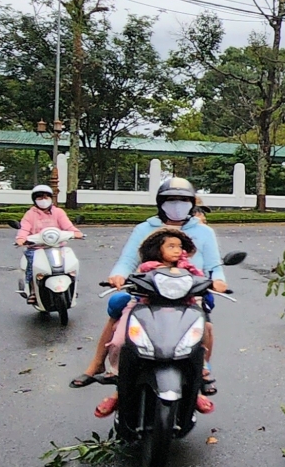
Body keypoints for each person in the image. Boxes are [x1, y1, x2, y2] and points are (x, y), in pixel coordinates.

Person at [70, 177, 228, 390]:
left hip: (189, 293)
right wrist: (118, 275)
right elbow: (127, 260)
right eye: (170, 199)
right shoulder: (145, 228)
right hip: (148, 291)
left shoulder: (203, 232)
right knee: (121, 323)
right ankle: (100, 366)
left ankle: (201, 369)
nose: (177, 204)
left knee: (205, 326)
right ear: (160, 203)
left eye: (183, 200)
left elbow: (214, 265)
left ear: (192, 203)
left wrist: (218, 281)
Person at [86, 227, 215, 419]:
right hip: (146, 310)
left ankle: (197, 379)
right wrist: (120, 279)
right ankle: (119, 386)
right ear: (157, 249)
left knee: (206, 329)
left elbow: (202, 280)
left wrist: (213, 284)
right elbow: (130, 276)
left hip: (183, 310)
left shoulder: (188, 268)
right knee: (121, 340)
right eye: (171, 246)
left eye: (179, 246)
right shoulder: (147, 268)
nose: (177, 250)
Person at [15, 184, 84, 298]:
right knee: (31, 265)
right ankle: (32, 290)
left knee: (72, 263)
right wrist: (21, 239)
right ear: (34, 200)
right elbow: (24, 228)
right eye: (40, 197)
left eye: (46, 197)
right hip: (37, 248)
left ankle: (73, 287)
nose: (43, 200)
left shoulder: (58, 212)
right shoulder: (30, 214)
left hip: (58, 246)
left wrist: (76, 233)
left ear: (51, 199)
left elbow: (68, 226)